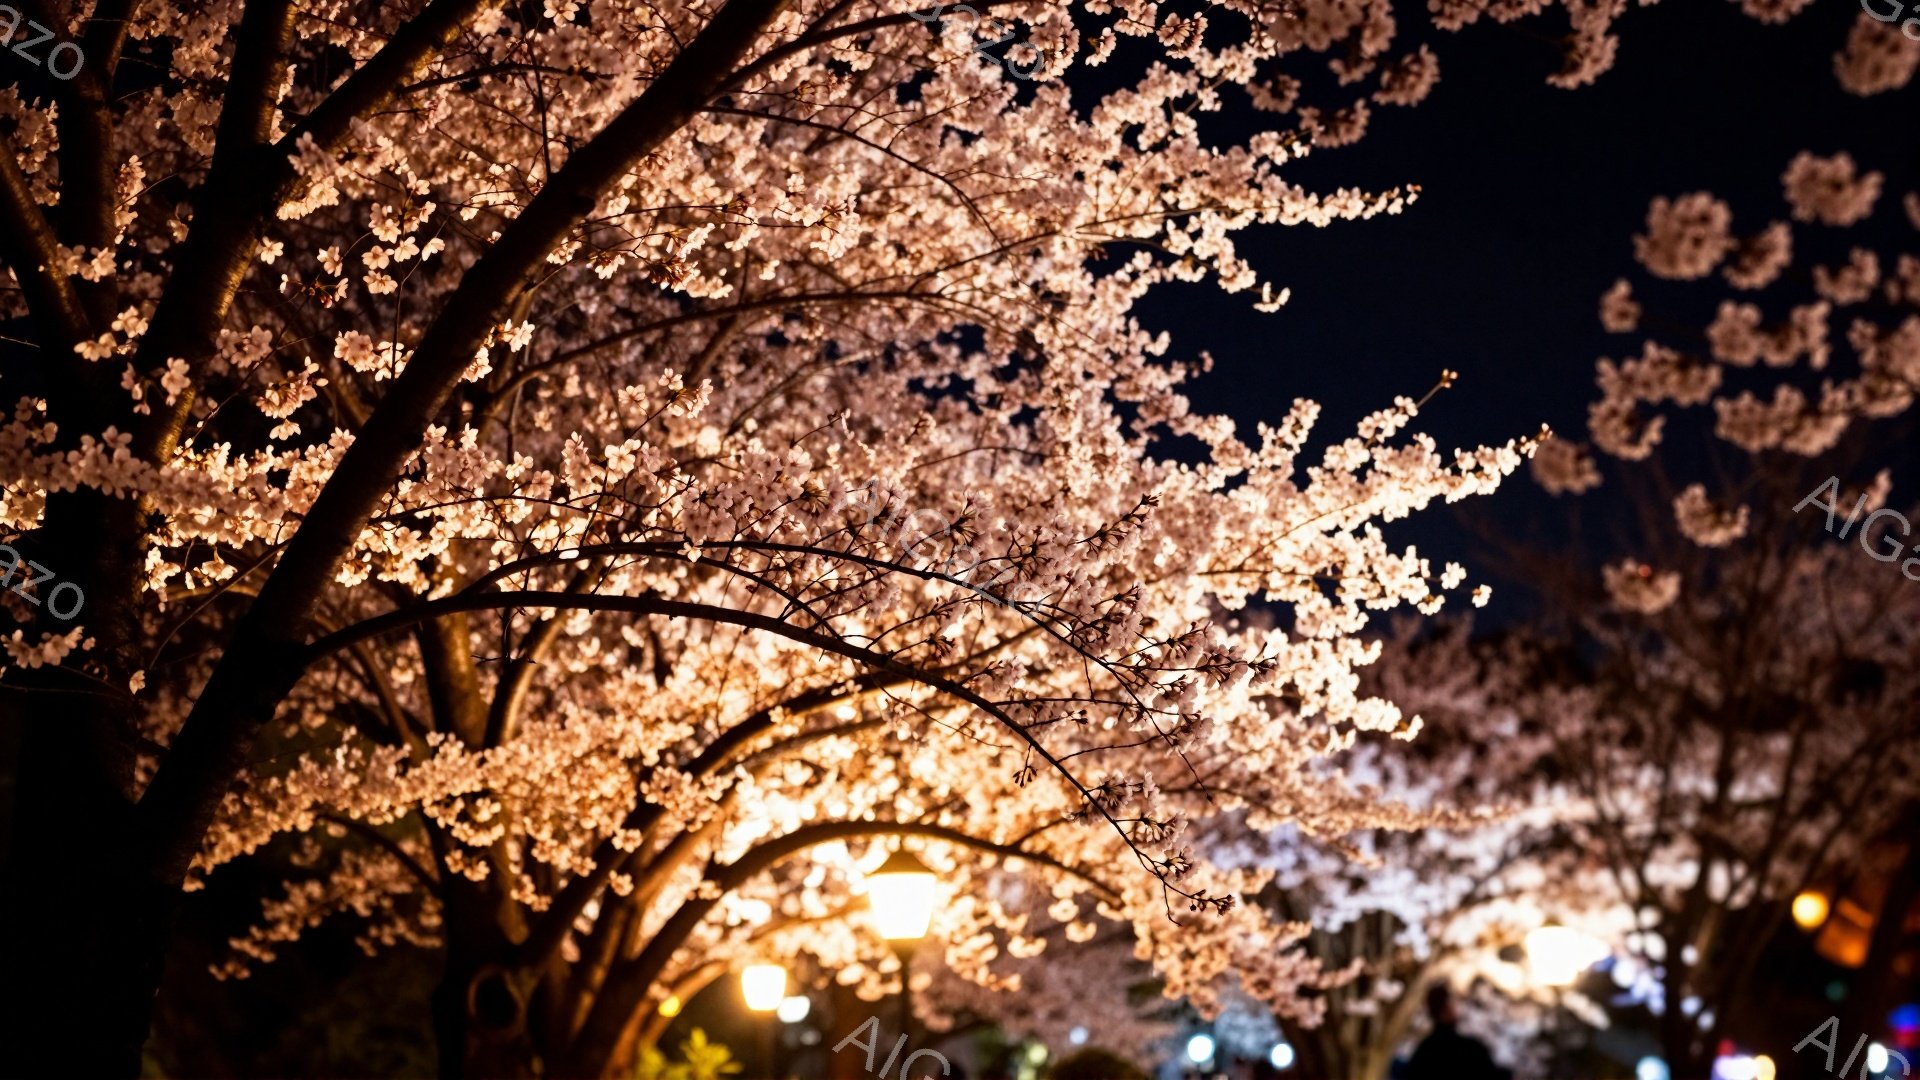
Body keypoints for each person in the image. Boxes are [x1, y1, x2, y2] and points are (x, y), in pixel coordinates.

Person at [1404, 983, 1510, 1080]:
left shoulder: (1423, 1052)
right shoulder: (1469, 1049)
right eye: (1452, 1004)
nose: (1456, 1008)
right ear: (1447, 1009)